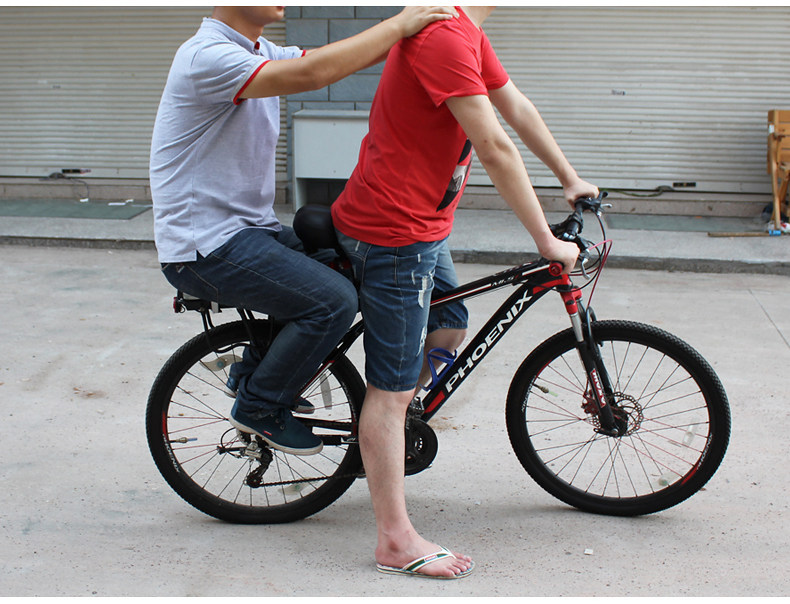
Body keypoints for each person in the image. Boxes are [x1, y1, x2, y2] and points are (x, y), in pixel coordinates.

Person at [331, 6, 599, 578]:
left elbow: (516, 107)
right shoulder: (445, 36)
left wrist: (569, 177)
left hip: (422, 227)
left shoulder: (465, 30)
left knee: (450, 322)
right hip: (394, 234)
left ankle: (391, 427)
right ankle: (394, 539)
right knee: (390, 392)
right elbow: (495, 144)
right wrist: (545, 240)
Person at [149, 6, 459, 456]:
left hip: (248, 231)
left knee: (344, 266)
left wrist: (418, 35)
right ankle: (259, 405)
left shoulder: (258, 50)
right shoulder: (207, 56)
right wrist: (403, 23)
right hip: (205, 246)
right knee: (333, 302)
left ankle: (254, 370)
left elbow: (331, 58)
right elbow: (314, 73)